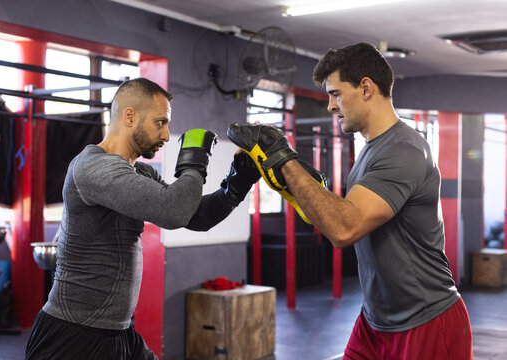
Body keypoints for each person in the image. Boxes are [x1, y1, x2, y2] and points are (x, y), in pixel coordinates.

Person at [227, 43, 473, 359]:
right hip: (376, 320)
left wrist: (283, 158)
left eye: (336, 93)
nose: (331, 105)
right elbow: (332, 218)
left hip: (426, 320)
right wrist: (287, 180)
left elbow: (344, 229)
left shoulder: (403, 151)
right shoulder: (372, 149)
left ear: (366, 88)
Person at [25, 78, 260, 360]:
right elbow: (173, 210)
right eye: (160, 123)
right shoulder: (92, 168)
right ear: (130, 116)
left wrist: (236, 184)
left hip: (118, 333)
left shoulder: (141, 173)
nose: (165, 135)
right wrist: (194, 160)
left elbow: (194, 215)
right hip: (73, 335)